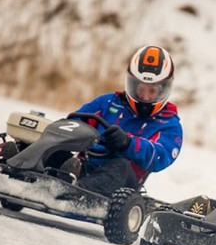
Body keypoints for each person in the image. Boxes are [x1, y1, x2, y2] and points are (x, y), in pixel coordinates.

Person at [60, 45, 183, 196]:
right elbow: (75, 121)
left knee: (121, 166)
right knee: (57, 150)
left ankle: (72, 192)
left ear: (164, 89)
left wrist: (128, 143)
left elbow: (159, 156)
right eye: (140, 89)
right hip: (85, 165)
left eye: (152, 91)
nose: (145, 97)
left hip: (123, 184)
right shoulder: (109, 102)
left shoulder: (169, 125)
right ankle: (32, 175)